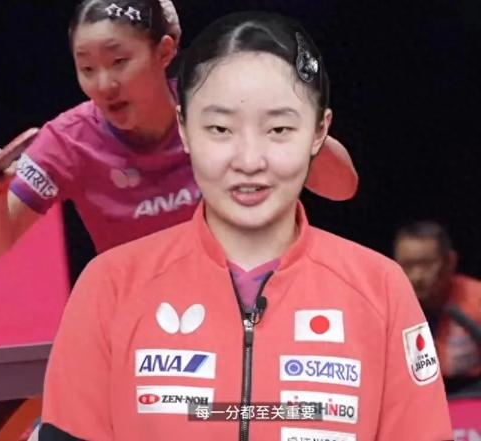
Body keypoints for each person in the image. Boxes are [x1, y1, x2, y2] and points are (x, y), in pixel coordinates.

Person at [38, 10, 453, 441]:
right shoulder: (110, 286)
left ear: (318, 132)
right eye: (220, 129)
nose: (249, 161)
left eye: (279, 129)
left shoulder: (380, 290)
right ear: (184, 128)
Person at [0, 0, 358, 261]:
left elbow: (342, 187)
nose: (104, 84)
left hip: (252, 296)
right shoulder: (68, 141)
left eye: (119, 61)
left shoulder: (217, 104)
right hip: (146, 318)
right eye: (87, 68)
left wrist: (283, 117)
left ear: (165, 52)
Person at [394, 221, 481, 390]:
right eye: (408, 265)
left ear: (450, 261)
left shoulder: (477, 299)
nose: (417, 277)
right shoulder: (387, 311)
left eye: (426, 264)